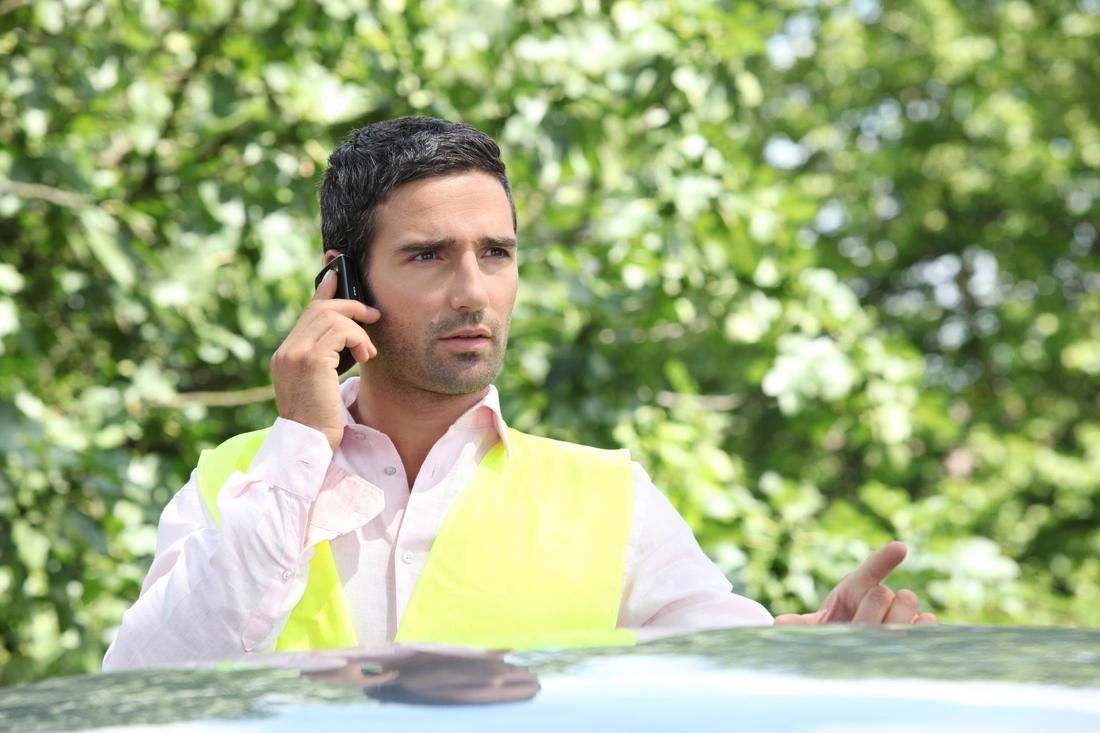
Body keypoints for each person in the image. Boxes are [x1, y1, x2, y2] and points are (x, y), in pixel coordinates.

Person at [102, 117, 935, 672]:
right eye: (430, 255)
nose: (474, 290)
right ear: (343, 278)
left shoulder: (609, 494)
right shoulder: (241, 477)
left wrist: (827, 654)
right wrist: (300, 448)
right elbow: (142, 690)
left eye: (495, 253)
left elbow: (724, 664)